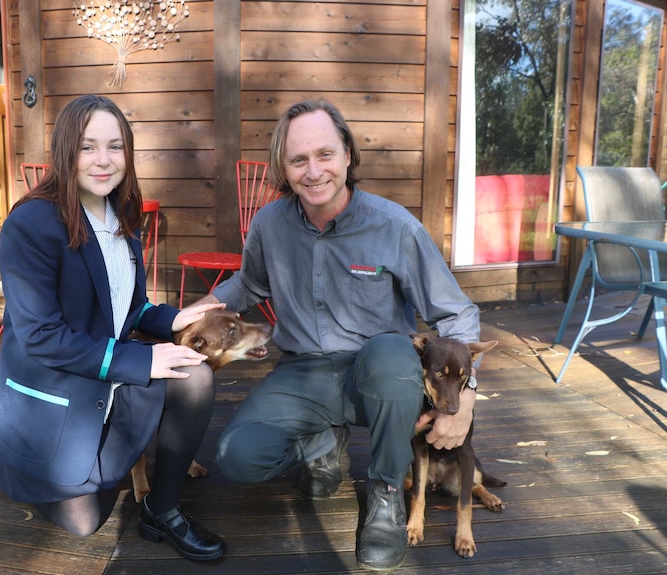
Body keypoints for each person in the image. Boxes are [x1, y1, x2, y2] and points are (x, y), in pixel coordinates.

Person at [197, 99, 482, 570]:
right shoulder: (270, 224)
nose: (313, 172)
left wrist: (465, 397)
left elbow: (457, 314)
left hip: (380, 375)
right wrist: (194, 314)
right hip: (303, 372)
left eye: (325, 154)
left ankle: (386, 495)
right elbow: (247, 283)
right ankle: (323, 443)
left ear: (348, 155)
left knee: (392, 354)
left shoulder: (395, 227)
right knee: (237, 458)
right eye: (298, 160)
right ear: (284, 169)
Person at [0, 94, 226, 562]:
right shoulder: (30, 224)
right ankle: (55, 468)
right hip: (57, 393)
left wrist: (172, 319)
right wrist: (143, 358)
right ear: (65, 152)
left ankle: (163, 508)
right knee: (85, 523)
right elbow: (40, 337)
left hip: (103, 373)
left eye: (115, 147)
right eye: (87, 147)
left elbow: (129, 307)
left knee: (193, 375)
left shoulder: (122, 217)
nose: (103, 160)